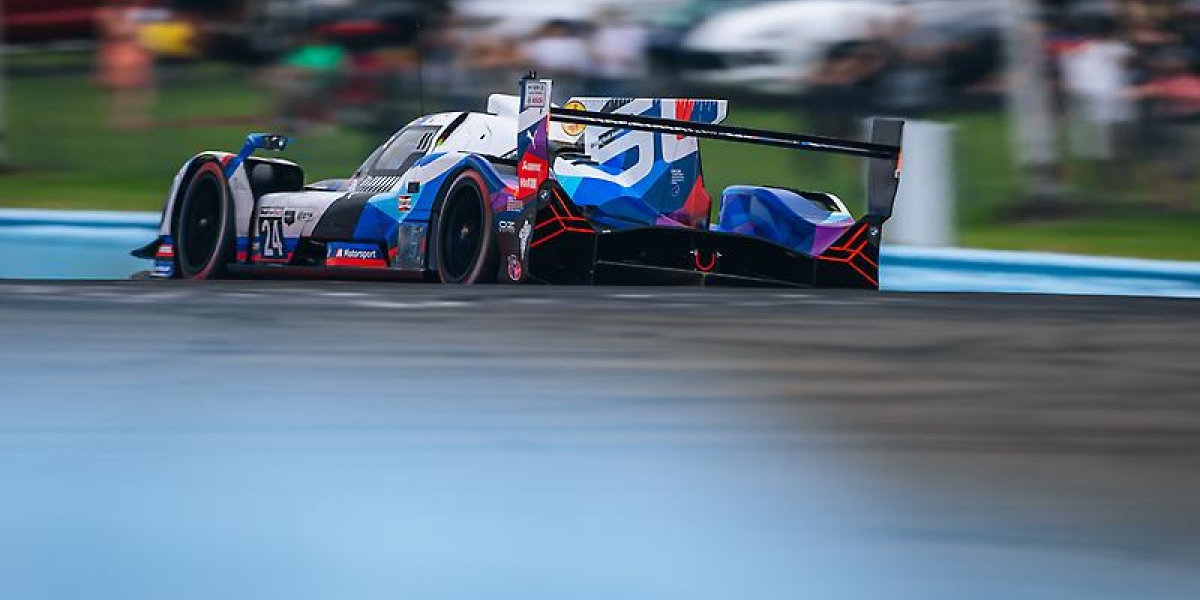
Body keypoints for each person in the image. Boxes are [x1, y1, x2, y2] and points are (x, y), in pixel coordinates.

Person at [1132, 46, 1200, 208]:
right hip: (1167, 126)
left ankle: (1181, 200)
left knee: (1184, 168)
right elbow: (1141, 93)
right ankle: (1159, 199)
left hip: (1188, 127)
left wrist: (1169, 93)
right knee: (1162, 165)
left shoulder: (1192, 82)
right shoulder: (1161, 81)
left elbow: (1194, 96)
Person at [96, 1, 156, 130]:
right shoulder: (106, 14)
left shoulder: (132, 12)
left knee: (142, 87)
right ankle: (119, 117)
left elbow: (139, 31)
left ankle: (138, 117)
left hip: (136, 53)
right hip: (119, 54)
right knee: (120, 89)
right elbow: (115, 32)